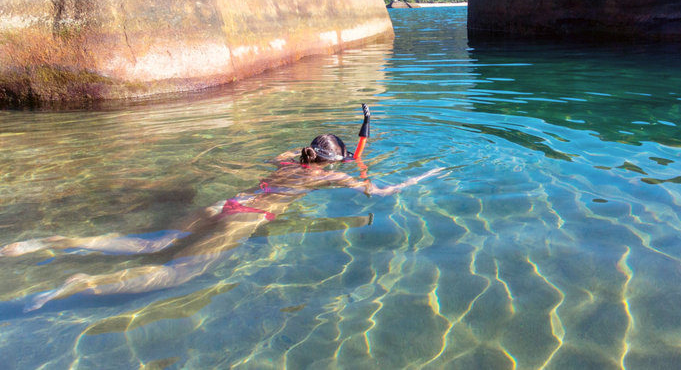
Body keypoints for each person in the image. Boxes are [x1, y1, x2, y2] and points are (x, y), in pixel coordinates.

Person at [1, 130, 443, 312]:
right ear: (334, 159)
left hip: (227, 204)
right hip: (247, 218)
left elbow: (294, 158)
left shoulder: (290, 159)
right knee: (179, 271)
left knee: (152, 243)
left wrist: (337, 159)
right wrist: (425, 175)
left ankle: (53, 241)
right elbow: (380, 192)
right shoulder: (326, 176)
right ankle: (81, 283)